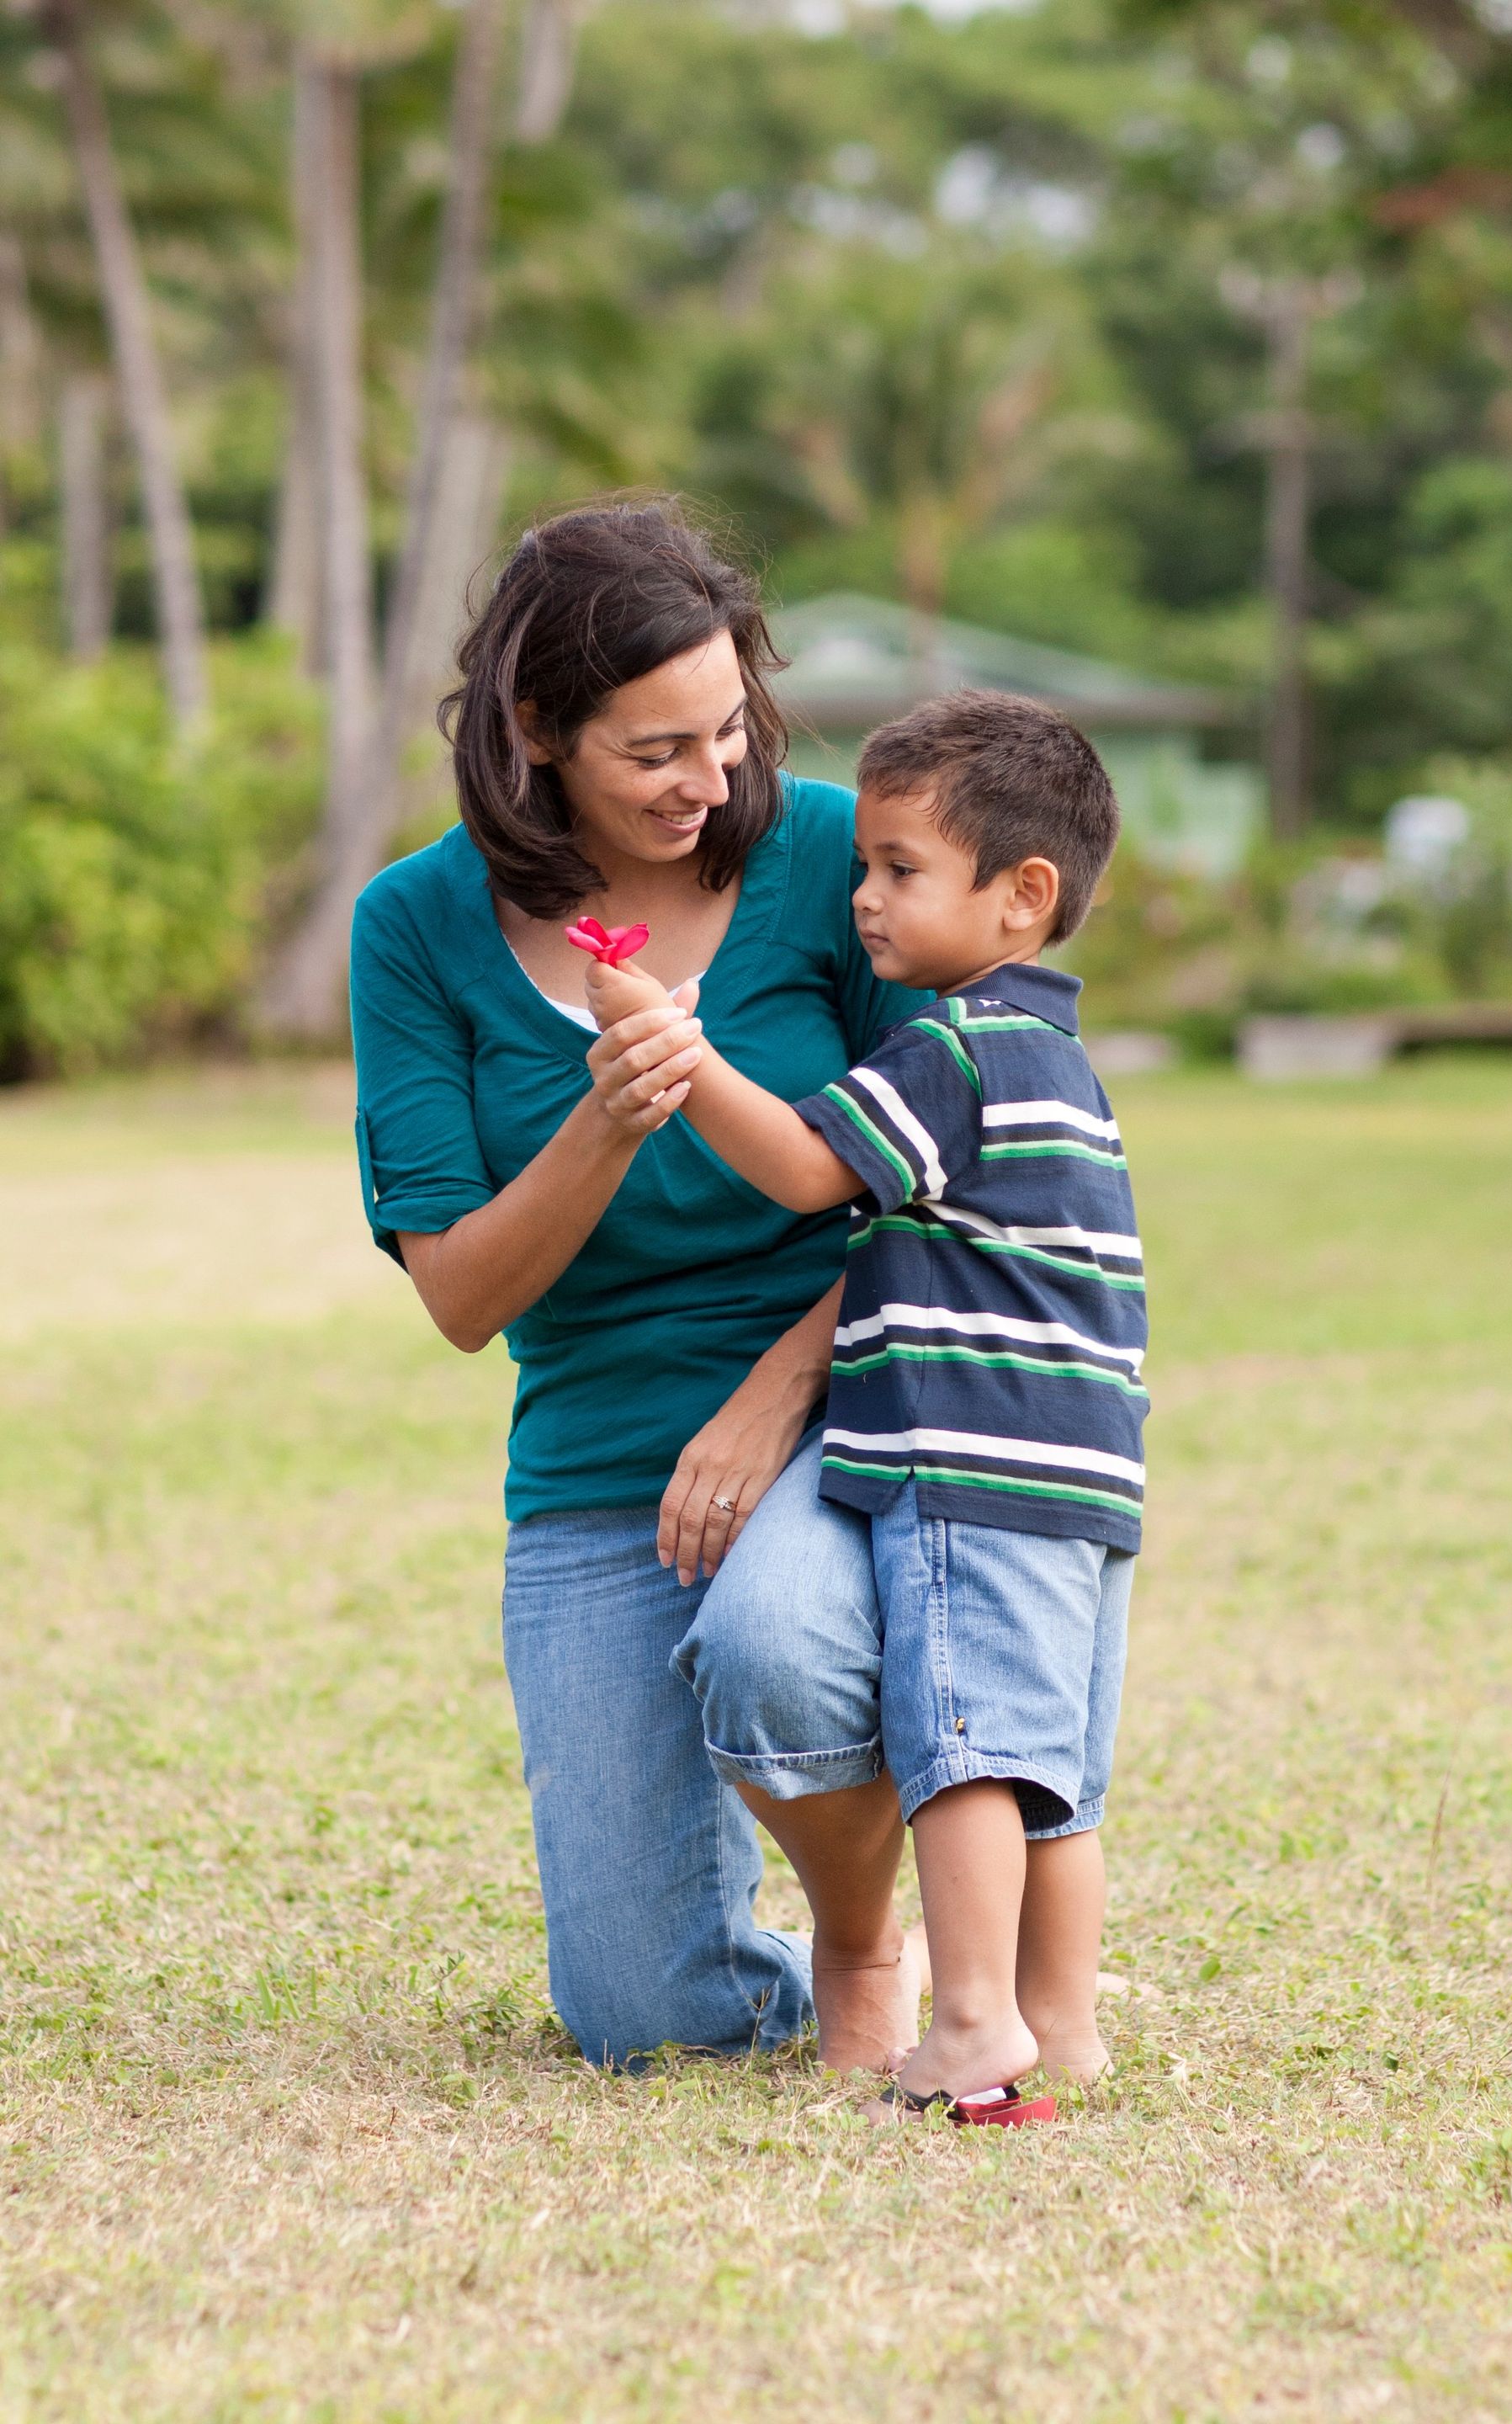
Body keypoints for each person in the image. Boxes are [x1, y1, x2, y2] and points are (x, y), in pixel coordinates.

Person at [349, 498, 930, 2071]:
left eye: (731, 729)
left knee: (776, 1646)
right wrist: (610, 1115)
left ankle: (868, 1946)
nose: (713, 778)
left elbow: (949, 1179)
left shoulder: (832, 860)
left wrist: (772, 1397)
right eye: (658, 749)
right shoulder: (414, 926)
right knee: (645, 2023)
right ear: (538, 732)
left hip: (838, 1410)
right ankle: (764, 1965)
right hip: (600, 1459)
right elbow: (463, 1296)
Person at [583, 689, 1148, 2119]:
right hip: (1081, 1476)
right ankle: (1060, 2029)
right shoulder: (1062, 1059)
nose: (868, 898)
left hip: (965, 1464)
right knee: (1050, 1773)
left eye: (901, 869)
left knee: (960, 1750)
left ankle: (968, 2025)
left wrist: (676, 1051)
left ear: (1025, 897)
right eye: (867, 868)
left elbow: (802, 1170)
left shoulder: (953, 1053)